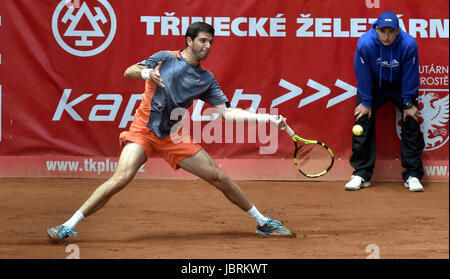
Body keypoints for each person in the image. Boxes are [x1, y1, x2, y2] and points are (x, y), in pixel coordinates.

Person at [47, 22, 294, 241]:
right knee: (121, 177)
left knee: (219, 177)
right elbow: (129, 71)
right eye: (202, 41)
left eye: (210, 42)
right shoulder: (164, 57)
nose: (207, 46)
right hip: (143, 131)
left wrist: (267, 118)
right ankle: (68, 225)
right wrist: (147, 73)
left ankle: (263, 223)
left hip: (173, 137)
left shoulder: (206, 79)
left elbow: (227, 113)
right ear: (189, 40)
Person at [345, 11, 425, 192]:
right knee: (362, 119)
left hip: (400, 85)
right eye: (383, 31)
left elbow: (411, 75)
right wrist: (366, 101)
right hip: (374, 85)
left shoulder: (408, 44)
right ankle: (361, 174)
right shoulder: (365, 43)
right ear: (376, 29)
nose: (387, 36)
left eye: (391, 31)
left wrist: (407, 103)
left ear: (398, 31)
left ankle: (412, 174)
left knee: (411, 119)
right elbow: (362, 74)